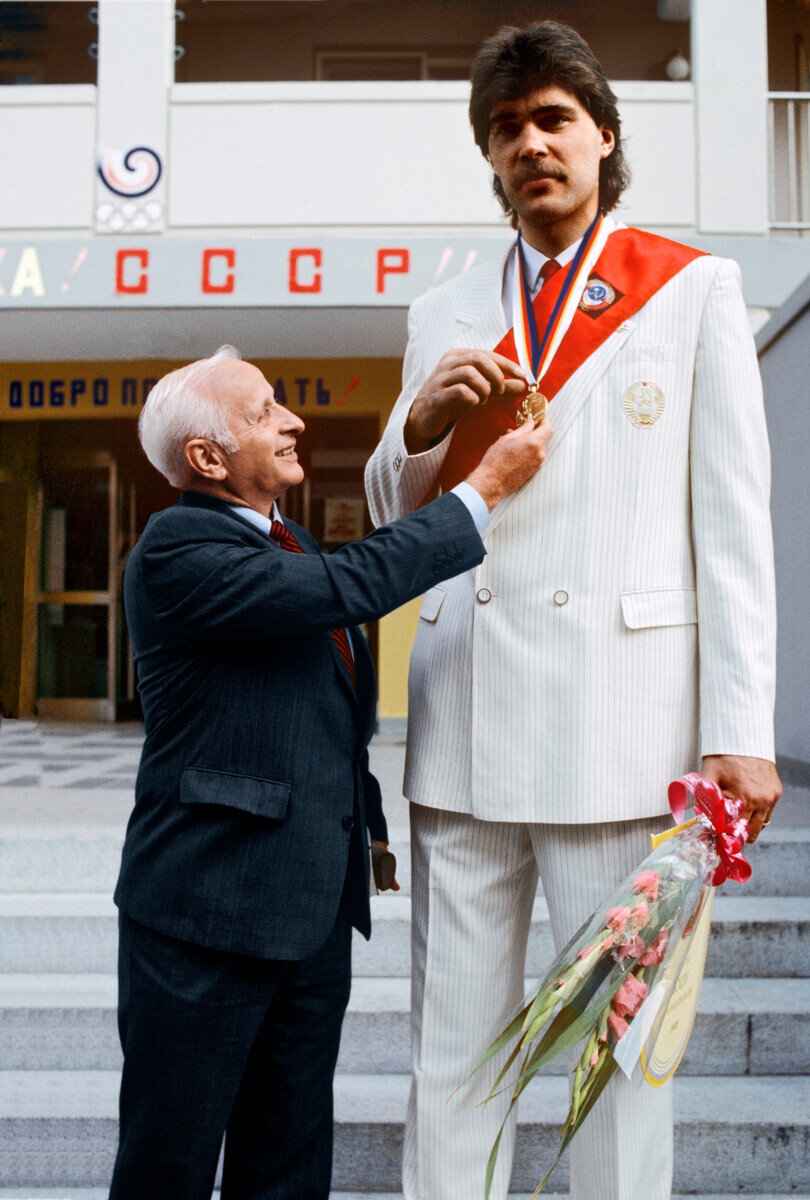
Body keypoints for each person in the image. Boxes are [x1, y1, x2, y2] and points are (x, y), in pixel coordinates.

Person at [364, 20, 782, 1200]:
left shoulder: (692, 286)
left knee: (618, 1053)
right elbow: (395, 506)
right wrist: (421, 427)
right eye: (506, 128)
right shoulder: (443, 304)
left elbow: (734, 526)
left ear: (603, 136)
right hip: (466, 714)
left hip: (625, 730)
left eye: (553, 120)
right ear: (490, 159)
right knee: (450, 1055)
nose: (530, 144)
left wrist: (740, 727)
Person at [108, 344, 551, 1200]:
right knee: (171, 1160)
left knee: (289, 1162)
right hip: (205, 919)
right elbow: (349, 585)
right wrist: (482, 489)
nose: (292, 421)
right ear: (206, 458)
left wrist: (367, 832)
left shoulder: (288, 540)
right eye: (264, 410)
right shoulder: (174, 554)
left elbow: (323, 696)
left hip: (309, 913)